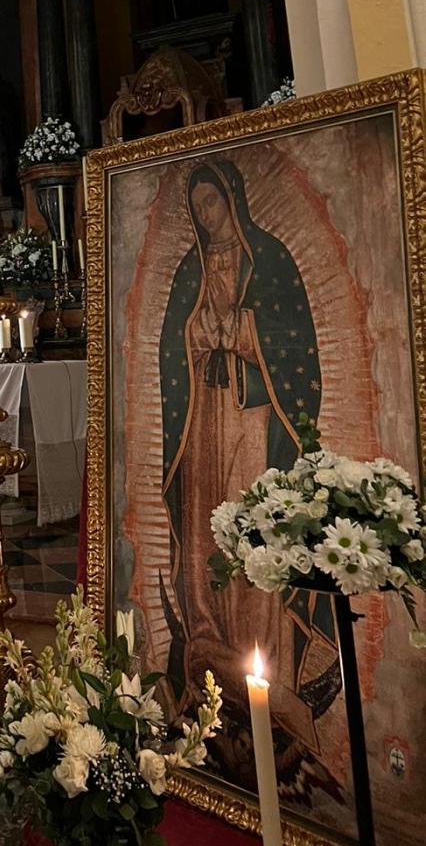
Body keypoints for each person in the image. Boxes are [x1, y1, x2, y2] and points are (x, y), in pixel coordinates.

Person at [157, 159, 337, 755]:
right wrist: (193, 337)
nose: (208, 216)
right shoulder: (192, 269)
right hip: (205, 422)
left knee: (251, 526)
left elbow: (296, 345)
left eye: (215, 203)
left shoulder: (272, 261)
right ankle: (207, 642)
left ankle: (266, 662)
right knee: (206, 521)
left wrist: (238, 331)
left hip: (255, 422)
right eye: (199, 207)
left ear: (234, 200)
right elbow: (172, 345)